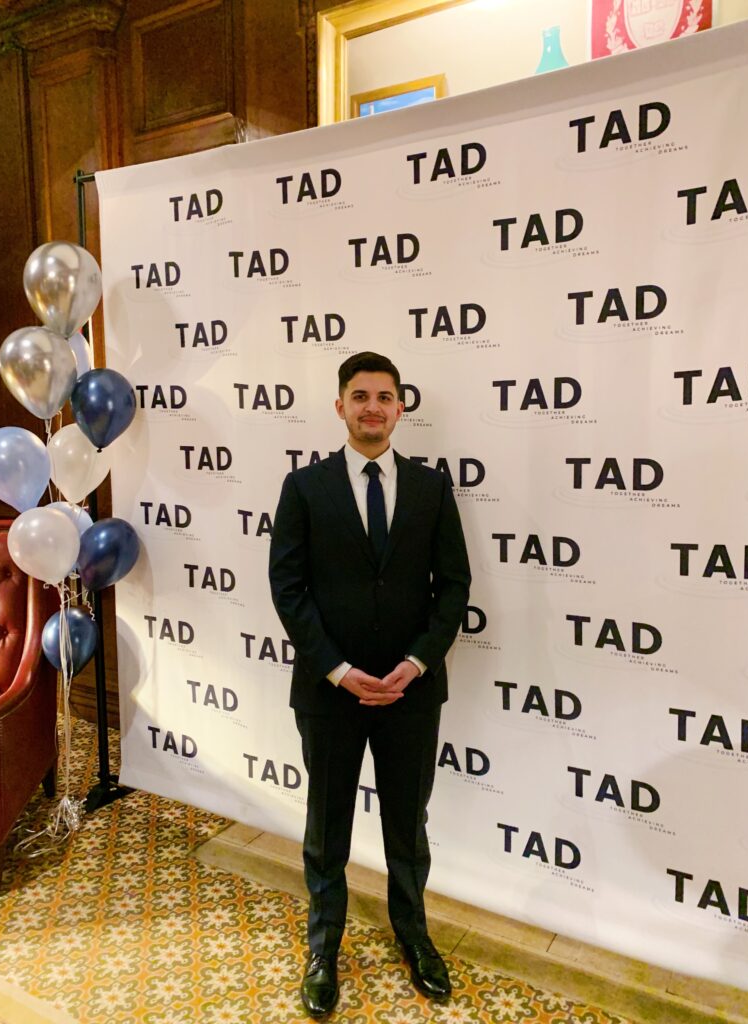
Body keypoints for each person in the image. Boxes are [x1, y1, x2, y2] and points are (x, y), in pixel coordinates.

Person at [268, 351, 471, 1018]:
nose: (373, 407)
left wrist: (415, 664)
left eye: (385, 396)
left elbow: (454, 589)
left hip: (412, 695)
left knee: (406, 828)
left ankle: (414, 936)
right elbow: (288, 588)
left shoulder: (432, 489)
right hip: (329, 694)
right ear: (340, 407)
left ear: (401, 407)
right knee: (326, 829)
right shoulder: (304, 487)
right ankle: (323, 947)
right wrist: (338, 669)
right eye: (360, 396)